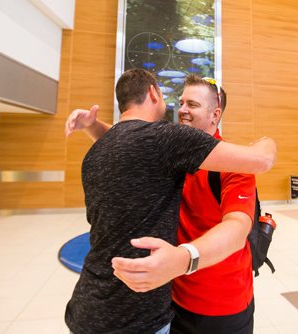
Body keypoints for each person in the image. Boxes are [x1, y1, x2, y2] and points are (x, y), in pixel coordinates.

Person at [64, 69, 277, 334]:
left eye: (194, 105)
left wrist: (184, 258)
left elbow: (236, 229)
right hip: (172, 298)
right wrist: (94, 126)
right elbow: (130, 139)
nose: (183, 110)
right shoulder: (170, 150)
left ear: (215, 115)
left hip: (220, 304)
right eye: (183, 102)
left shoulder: (234, 166)